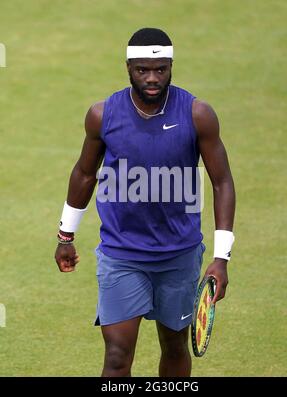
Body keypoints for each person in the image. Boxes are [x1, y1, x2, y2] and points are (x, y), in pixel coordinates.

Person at [54, 27, 235, 377]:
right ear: (127, 68)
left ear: (170, 66)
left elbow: (222, 181)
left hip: (178, 257)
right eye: (142, 70)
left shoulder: (198, 114)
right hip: (121, 256)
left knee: (174, 346)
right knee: (117, 356)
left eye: (160, 70)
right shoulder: (102, 115)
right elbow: (84, 174)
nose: (152, 78)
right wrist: (66, 236)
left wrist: (221, 257)